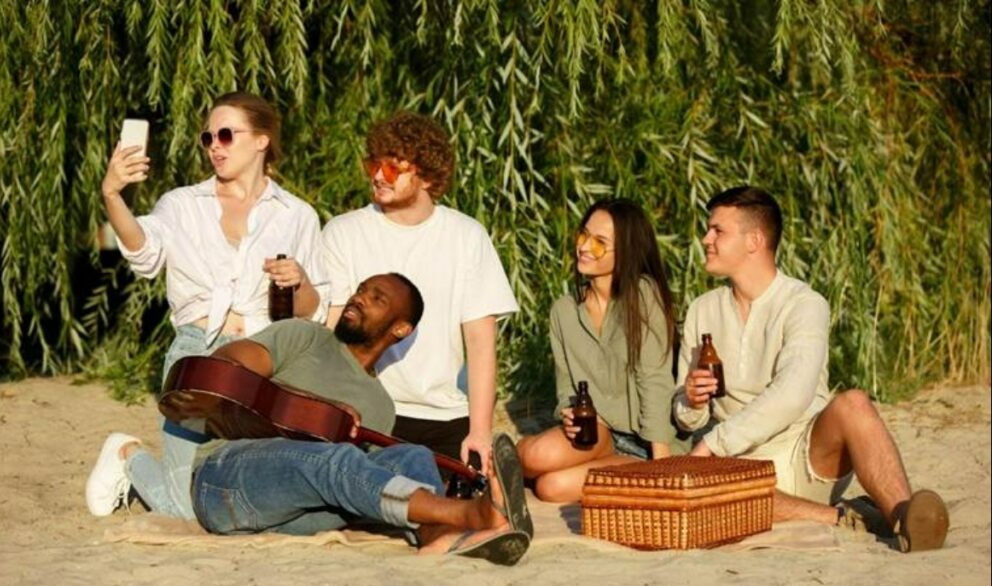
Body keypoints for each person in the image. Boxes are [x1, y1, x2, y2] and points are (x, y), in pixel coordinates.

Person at [177, 273, 532, 565]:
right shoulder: (303, 336)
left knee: (414, 456)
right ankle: (469, 514)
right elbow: (224, 367)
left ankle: (436, 535)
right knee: (334, 459)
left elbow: (356, 481)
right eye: (361, 290)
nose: (360, 298)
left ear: (400, 329)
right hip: (225, 482)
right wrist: (314, 406)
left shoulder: (381, 407)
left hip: (292, 517)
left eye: (377, 298)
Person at [86, 91, 327, 520]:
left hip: (266, 357)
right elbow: (144, 254)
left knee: (252, 491)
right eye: (208, 137)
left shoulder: (297, 215)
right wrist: (112, 195)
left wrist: (300, 281)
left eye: (226, 135)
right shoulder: (181, 204)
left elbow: (312, 309)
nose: (214, 145)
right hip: (197, 351)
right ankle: (127, 453)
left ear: (261, 140)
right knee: (183, 509)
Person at [673, 186, 949, 552]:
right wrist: (691, 402)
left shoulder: (804, 304)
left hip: (806, 455)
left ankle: (905, 519)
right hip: (739, 468)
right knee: (714, 491)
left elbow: (793, 393)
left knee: (853, 403)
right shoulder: (702, 310)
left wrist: (713, 443)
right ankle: (845, 518)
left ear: (754, 240)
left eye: (717, 230)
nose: (706, 239)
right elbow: (685, 418)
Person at [321, 112, 518, 474]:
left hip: (446, 414)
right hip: (368, 411)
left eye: (393, 169)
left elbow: (481, 343)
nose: (379, 176)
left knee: (450, 501)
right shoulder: (343, 232)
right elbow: (333, 332)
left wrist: (480, 431)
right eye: (373, 165)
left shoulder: (466, 236)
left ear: (426, 176)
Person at [517, 199, 678, 502]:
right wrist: (567, 412)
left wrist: (663, 463)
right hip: (597, 432)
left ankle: (632, 472)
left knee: (550, 489)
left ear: (626, 252)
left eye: (600, 243)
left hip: (643, 445)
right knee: (535, 456)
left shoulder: (643, 296)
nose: (585, 247)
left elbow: (654, 378)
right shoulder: (563, 311)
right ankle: (495, 477)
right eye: (583, 236)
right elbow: (565, 386)